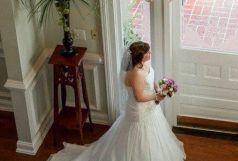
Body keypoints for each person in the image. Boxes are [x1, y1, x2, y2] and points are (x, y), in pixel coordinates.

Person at [48, 41, 186, 161]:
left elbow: (151, 78)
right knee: (140, 136)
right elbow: (139, 97)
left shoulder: (145, 63)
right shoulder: (136, 74)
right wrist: (157, 96)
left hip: (151, 106)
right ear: (139, 56)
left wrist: (158, 88)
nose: (150, 53)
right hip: (140, 110)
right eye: (147, 52)